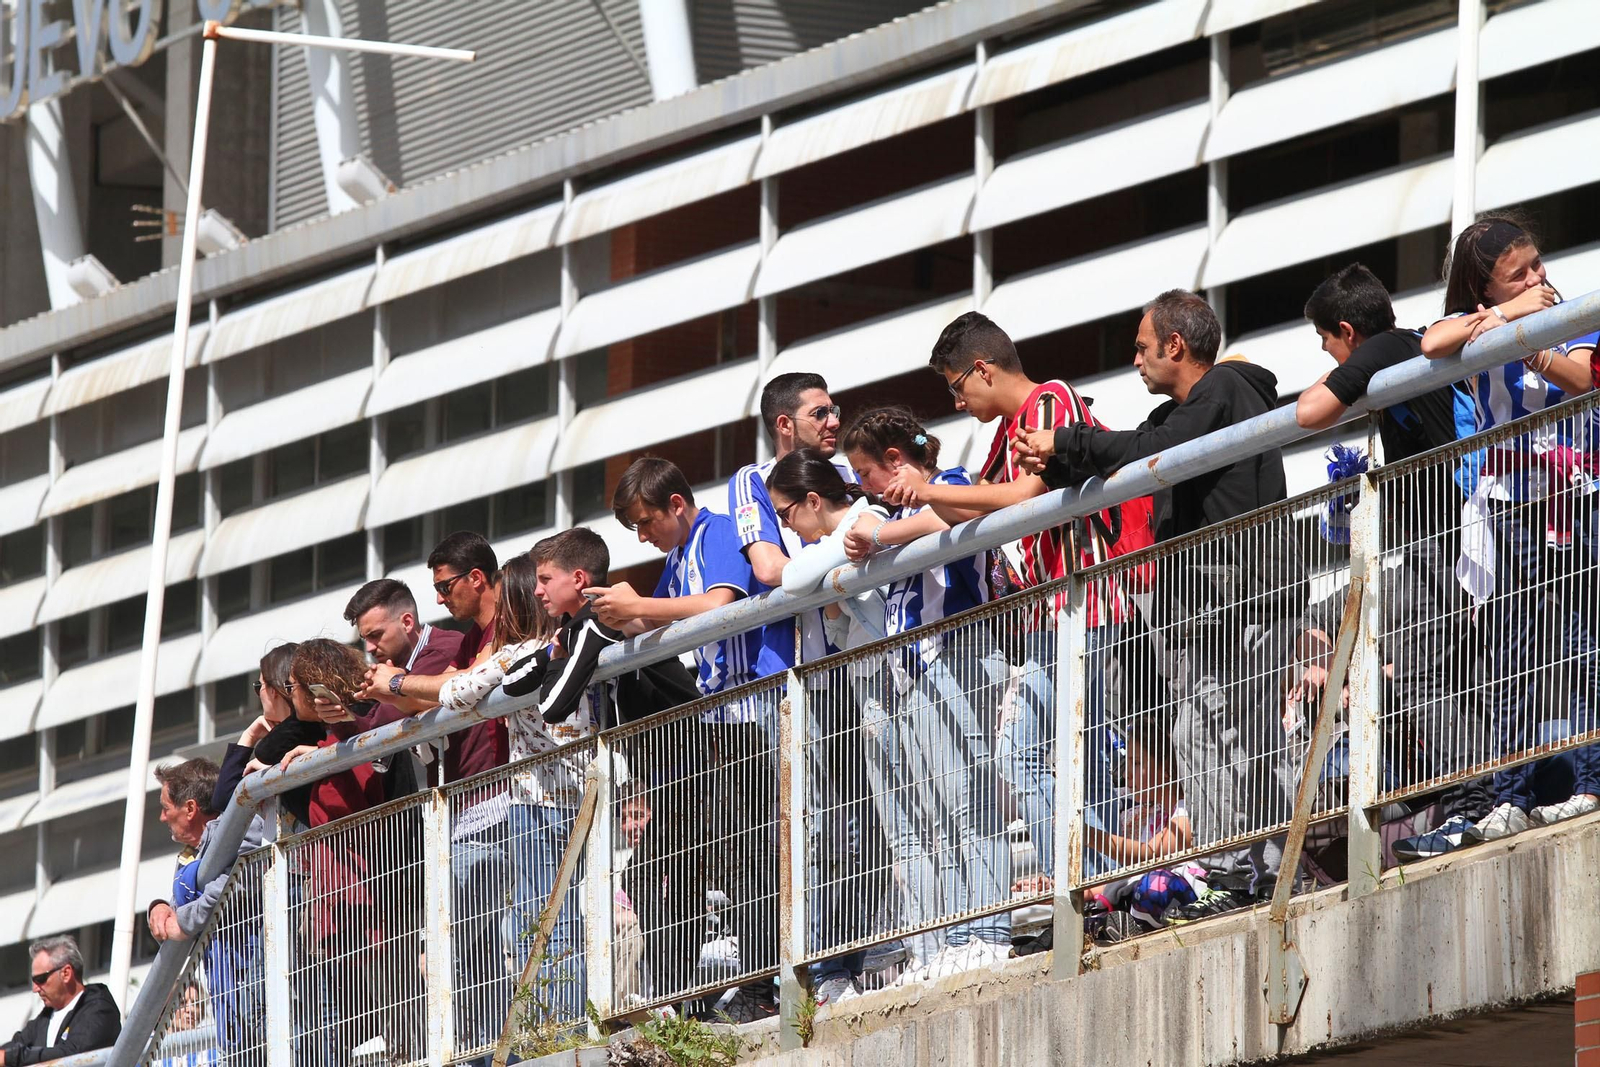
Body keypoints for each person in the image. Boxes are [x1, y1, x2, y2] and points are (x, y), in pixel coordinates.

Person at [1014, 289, 1305, 921]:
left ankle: (1251, 870)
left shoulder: (1223, 390)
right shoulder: (1189, 408)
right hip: (1218, 596)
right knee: (1216, 734)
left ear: (1176, 346)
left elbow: (1156, 450)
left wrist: (1064, 441)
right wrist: (1059, 458)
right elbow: (1130, 448)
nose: (1136, 361)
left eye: (1143, 348)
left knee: (1221, 735)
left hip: (1241, 593)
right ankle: (1254, 868)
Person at [890, 311, 1154, 886]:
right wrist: (903, 513)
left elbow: (1022, 494)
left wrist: (924, 488)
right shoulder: (1007, 433)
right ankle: (1104, 886)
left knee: (1028, 754)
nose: (957, 403)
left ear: (981, 370)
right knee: (1078, 756)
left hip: (1083, 600)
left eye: (956, 387)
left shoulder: (1049, 401)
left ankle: (1082, 885)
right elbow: (968, 505)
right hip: (1052, 609)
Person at [1297, 263, 1493, 860]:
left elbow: (1310, 411)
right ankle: (1451, 796)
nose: (1328, 354)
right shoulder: (1405, 344)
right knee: (1435, 668)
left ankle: (1470, 805)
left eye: (1327, 341)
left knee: (1420, 674)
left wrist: (1342, 377)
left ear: (1348, 331)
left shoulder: (1382, 348)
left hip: (1444, 541)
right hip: (1449, 539)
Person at [1419, 213, 1600, 841]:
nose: (1536, 277)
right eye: (1515, 273)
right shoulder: (1476, 324)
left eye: (1536, 263)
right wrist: (1502, 318)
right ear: (1484, 289)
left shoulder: (1573, 312)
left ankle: (1590, 783)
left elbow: (1581, 376)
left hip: (1574, 494)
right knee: (1509, 652)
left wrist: (1522, 328)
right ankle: (1511, 795)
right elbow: (1431, 344)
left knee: (1582, 644)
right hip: (1506, 502)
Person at [832, 409, 1011, 986]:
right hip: (912, 668)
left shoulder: (950, 482)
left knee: (968, 804)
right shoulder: (896, 512)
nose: (861, 487)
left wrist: (880, 534)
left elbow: (956, 512)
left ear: (894, 462)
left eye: (865, 473)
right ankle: (948, 939)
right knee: (932, 812)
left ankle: (987, 932)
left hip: (960, 652)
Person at [593, 457, 774, 1019]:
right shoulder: (677, 555)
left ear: (676, 504)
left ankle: (759, 986)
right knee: (705, 856)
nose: (643, 537)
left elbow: (720, 605)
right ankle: (690, 993)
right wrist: (616, 618)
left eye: (646, 522)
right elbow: (663, 624)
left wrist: (639, 607)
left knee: (750, 858)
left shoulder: (717, 530)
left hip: (755, 710)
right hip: (718, 725)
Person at [433, 537, 618, 1029]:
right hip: (573, 793)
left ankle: (566, 1027)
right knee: (559, 917)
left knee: (543, 923)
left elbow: (456, 693)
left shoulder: (523, 651)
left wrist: (406, 682)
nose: (537, 593)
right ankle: (569, 1021)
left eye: (543, 582)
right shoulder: (556, 644)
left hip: (543, 800)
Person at [364, 532, 507, 1054]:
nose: (441, 598)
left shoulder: (457, 643)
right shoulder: (464, 639)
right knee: (474, 946)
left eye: (446, 586)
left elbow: (460, 685)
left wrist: (395, 686)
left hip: (493, 798)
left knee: (473, 941)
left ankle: (503, 1042)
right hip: (462, 810)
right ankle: (490, 1045)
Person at [146, 758, 268, 1064]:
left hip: (260, 975)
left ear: (189, 808)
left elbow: (240, 880)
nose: (162, 817)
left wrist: (182, 921)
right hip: (228, 994)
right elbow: (179, 916)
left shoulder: (244, 824)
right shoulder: (189, 856)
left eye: (165, 807)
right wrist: (159, 908)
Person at [328, 578, 464, 737]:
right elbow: (370, 731)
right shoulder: (397, 666)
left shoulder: (444, 650)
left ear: (407, 622)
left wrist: (392, 685)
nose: (369, 648)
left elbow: (380, 724)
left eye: (376, 635)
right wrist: (338, 716)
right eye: (365, 639)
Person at [0, 936, 120, 1064]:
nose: (35, 989)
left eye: (40, 979)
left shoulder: (100, 1009)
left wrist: (11, 1057)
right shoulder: (43, 1020)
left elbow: (74, 1055)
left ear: (66, 973)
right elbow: (14, 1045)